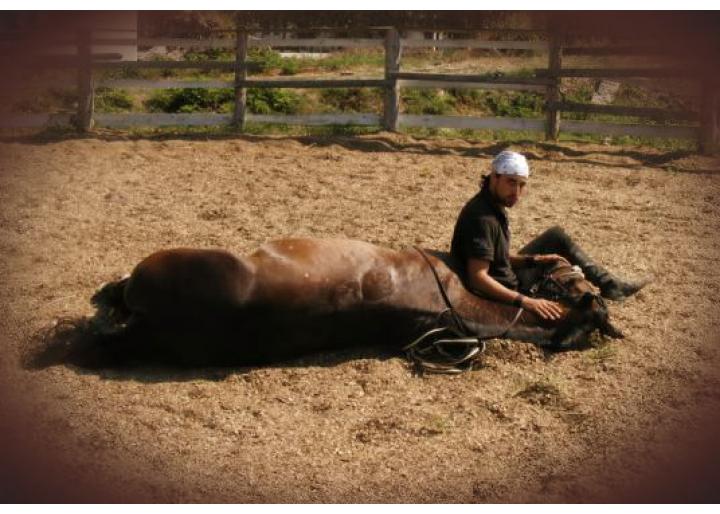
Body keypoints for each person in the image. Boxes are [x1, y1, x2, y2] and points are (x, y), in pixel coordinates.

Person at [450, 150, 649, 320]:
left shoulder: (493, 205)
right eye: (511, 182)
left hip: (506, 277)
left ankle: (610, 284)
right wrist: (526, 302)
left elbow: (497, 257)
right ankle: (611, 286)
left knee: (555, 237)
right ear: (494, 177)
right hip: (504, 291)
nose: (517, 193)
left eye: (522, 185)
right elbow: (477, 277)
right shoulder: (482, 217)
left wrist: (534, 260)